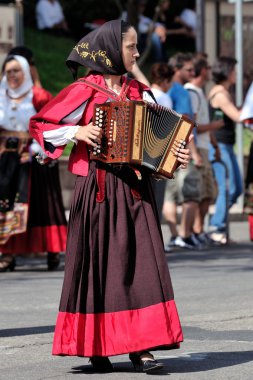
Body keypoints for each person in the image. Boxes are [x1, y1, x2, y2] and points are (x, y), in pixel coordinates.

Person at [29, 20, 192, 373]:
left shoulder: (140, 93)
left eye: (135, 47)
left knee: (142, 266)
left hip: (136, 191)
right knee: (98, 266)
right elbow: (41, 127)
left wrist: (175, 157)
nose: (136, 53)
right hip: (97, 188)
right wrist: (79, 130)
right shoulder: (84, 89)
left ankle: (142, 347)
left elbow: (162, 146)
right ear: (109, 51)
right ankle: (97, 347)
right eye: (131, 47)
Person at [0, 55, 67, 272]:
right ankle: (8, 253)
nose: (12, 76)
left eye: (16, 71)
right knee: (7, 205)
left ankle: (51, 250)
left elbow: (52, 123)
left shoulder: (39, 96)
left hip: (33, 159)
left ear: (26, 72)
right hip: (6, 160)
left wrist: (38, 149)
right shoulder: (1, 96)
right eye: (8, 71)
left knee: (40, 206)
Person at [163, 52, 203, 250]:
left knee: (170, 195)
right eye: (188, 69)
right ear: (176, 70)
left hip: (167, 148)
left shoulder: (166, 90)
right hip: (183, 148)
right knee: (191, 194)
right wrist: (194, 153)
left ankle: (174, 235)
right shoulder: (181, 92)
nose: (192, 72)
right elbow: (186, 124)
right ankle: (185, 235)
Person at [184, 55, 224, 245]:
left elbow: (204, 123)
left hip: (206, 147)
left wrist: (215, 145)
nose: (210, 71)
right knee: (198, 193)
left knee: (208, 194)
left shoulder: (200, 92)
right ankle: (192, 232)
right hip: (197, 147)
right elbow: (192, 125)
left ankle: (199, 231)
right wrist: (214, 126)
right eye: (207, 67)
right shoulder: (190, 92)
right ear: (201, 71)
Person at [208, 56, 243, 244]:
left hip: (226, 146)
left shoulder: (224, 92)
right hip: (220, 146)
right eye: (234, 71)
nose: (236, 74)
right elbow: (237, 116)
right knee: (227, 188)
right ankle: (216, 227)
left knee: (235, 188)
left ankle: (218, 225)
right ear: (227, 72)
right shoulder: (220, 94)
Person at [149, 62, 174, 221]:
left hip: (144, 153)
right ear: (165, 81)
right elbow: (168, 128)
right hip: (159, 154)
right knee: (157, 200)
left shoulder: (143, 93)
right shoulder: (164, 98)